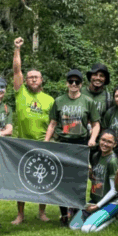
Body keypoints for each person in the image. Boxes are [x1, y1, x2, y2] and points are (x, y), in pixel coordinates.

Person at [45, 69, 101, 224]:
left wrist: (93, 138)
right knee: (61, 180)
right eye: (71, 81)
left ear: (81, 84)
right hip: (63, 143)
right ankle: (63, 214)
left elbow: (96, 124)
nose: (74, 84)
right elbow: (52, 124)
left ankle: (76, 211)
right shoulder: (59, 101)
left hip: (81, 143)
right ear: (66, 83)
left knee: (78, 180)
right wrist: (46, 141)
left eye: (77, 82)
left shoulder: (88, 101)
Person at [11, 36, 55, 224]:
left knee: (42, 179)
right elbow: (16, 70)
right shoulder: (21, 92)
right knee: (21, 178)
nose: (33, 79)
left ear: (41, 80)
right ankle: (20, 214)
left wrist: (47, 139)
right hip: (22, 142)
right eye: (30, 77)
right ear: (26, 81)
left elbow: (53, 122)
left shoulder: (50, 99)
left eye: (36, 77)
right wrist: (17, 49)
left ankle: (41, 211)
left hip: (42, 142)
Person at [70, 130, 118, 233]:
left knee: (87, 230)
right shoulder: (96, 156)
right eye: (103, 140)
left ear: (114, 144)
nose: (105, 144)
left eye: (109, 142)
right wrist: (91, 175)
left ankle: (116, 216)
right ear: (99, 140)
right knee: (74, 226)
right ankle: (98, 215)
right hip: (94, 200)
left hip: (111, 203)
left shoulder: (112, 161)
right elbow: (97, 178)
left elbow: (115, 190)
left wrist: (97, 206)